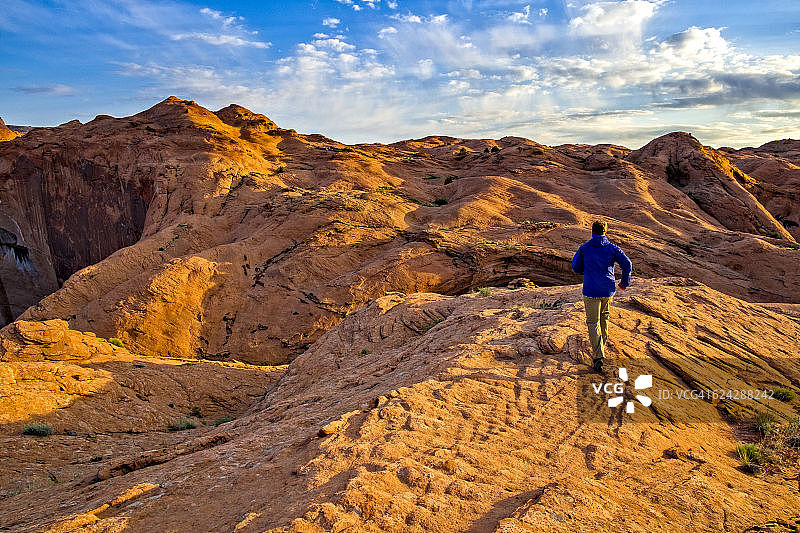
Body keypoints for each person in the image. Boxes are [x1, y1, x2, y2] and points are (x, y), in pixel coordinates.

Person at [571, 220, 632, 372]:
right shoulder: (613, 248)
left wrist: (587, 270)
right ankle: (601, 348)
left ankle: (599, 357)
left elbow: (575, 267)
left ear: (592, 232)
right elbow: (627, 264)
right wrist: (624, 282)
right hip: (607, 290)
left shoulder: (584, 248)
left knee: (593, 323)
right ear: (605, 232)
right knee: (604, 318)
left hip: (591, 290)